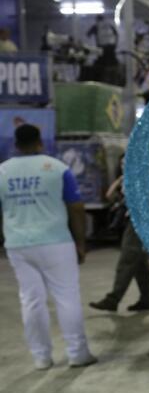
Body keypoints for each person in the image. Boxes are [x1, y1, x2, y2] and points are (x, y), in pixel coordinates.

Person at [0, 124, 96, 369]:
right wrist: (81, 243)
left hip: (18, 244)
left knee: (31, 300)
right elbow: (76, 207)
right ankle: (77, 353)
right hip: (56, 242)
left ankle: (41, 357)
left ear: (16, 144)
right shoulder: (57, 168)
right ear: (40, 142)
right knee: (66, 297)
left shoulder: (3, 171)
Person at [89, 157, 149, 313]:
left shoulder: (140, 179)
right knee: (139, 264)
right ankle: (146, 299)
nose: (124, 166)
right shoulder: (129, 179)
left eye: (127, 163)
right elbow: (109, 195)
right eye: (122, 164)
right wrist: (120, 179)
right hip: (133, 222)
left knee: (127, 259)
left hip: (138, 223)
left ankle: (113, 299)